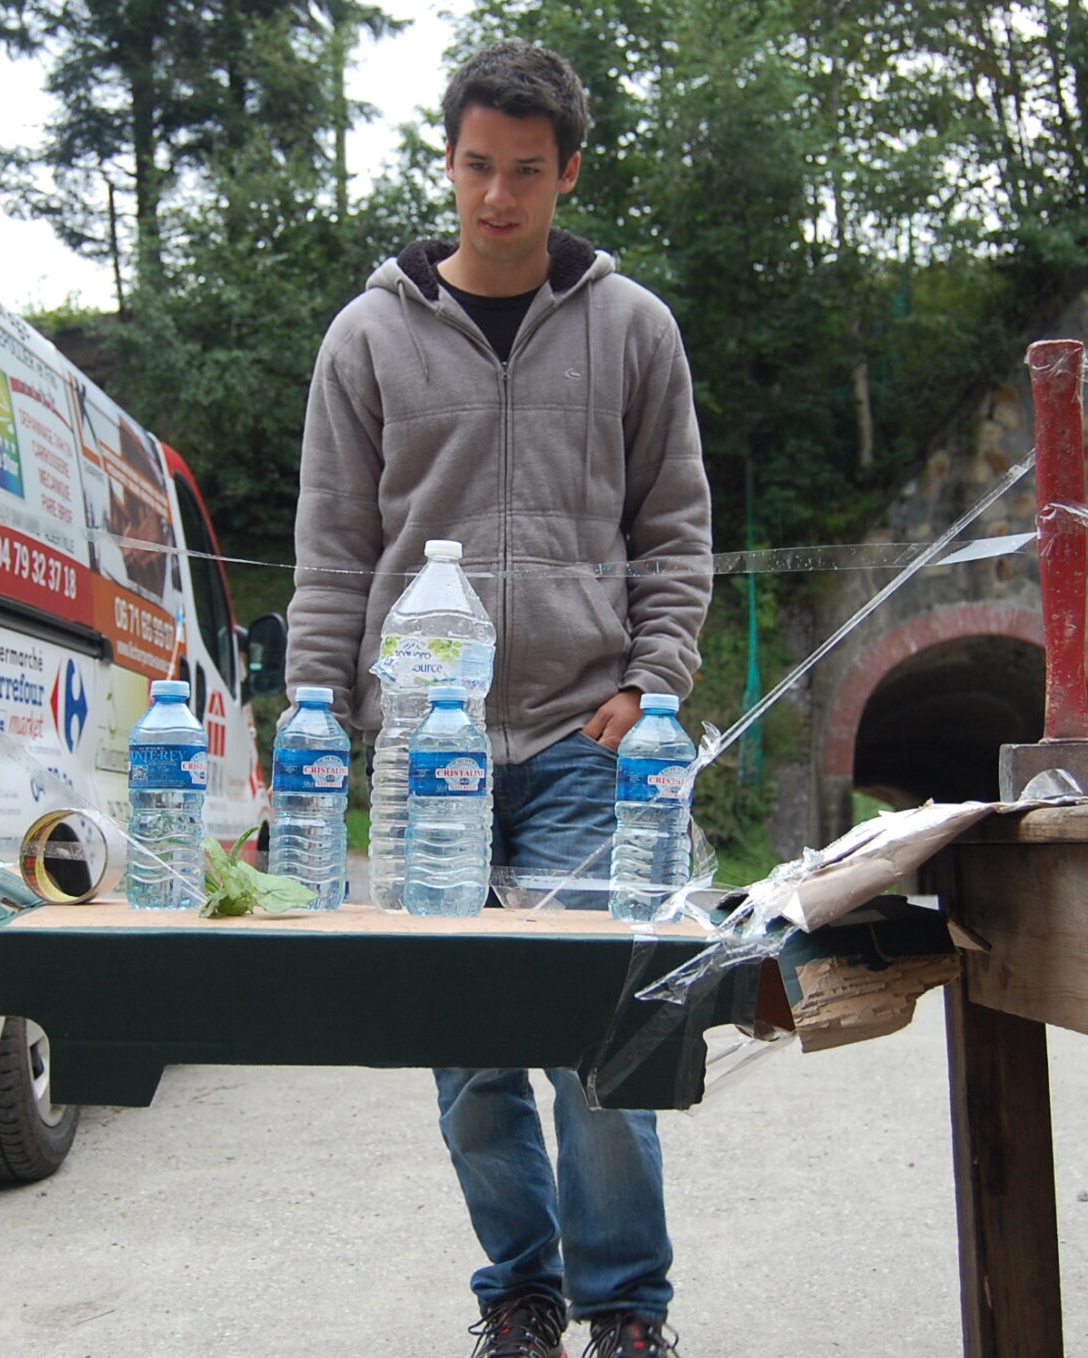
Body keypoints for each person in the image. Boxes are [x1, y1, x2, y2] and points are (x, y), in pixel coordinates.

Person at [285, 37, 711, 1358]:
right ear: (450, 160)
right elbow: (333, 551)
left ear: (567, 171)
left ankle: (627, 1311)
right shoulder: (366, 340)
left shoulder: (636, 330)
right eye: (477, 166)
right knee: (468, 1046)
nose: (497, 198)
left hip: (593, 740)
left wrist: (654, 682)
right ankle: (521, 1292)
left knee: (602, 1028)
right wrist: (313, 711)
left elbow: (678, 529)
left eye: (527, 172)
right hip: (427, 748)